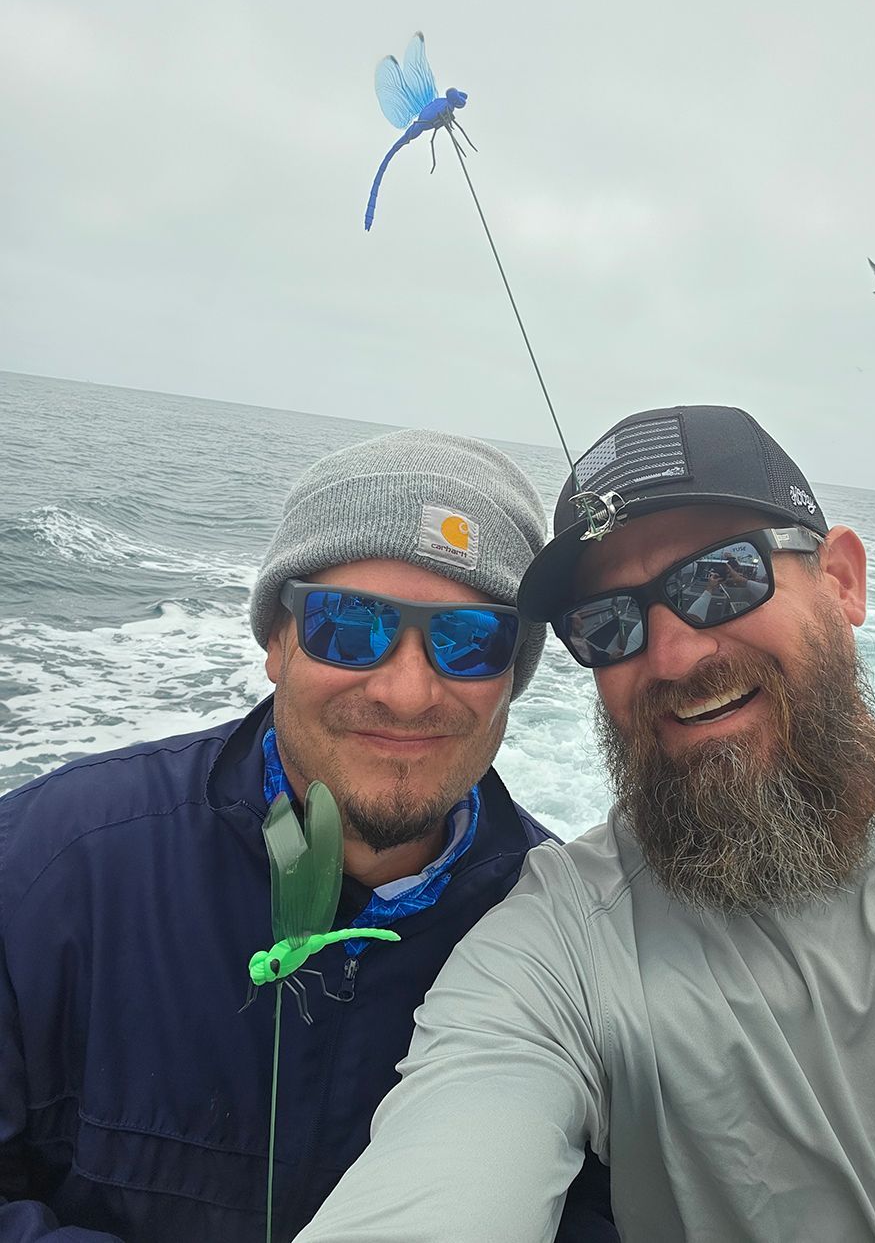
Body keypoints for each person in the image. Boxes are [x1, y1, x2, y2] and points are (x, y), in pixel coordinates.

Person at [295, 405, 875, 1242]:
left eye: (721, 578)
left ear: (841, 579)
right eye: (609, 623)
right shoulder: (558, 943)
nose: (671, 655)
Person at [0, 430, 616, 1243]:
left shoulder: (571, 945)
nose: (405, 690)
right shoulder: (49, 863)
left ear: (512, 676)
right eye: (350, 624)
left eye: (469, 639)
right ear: (277, 640)